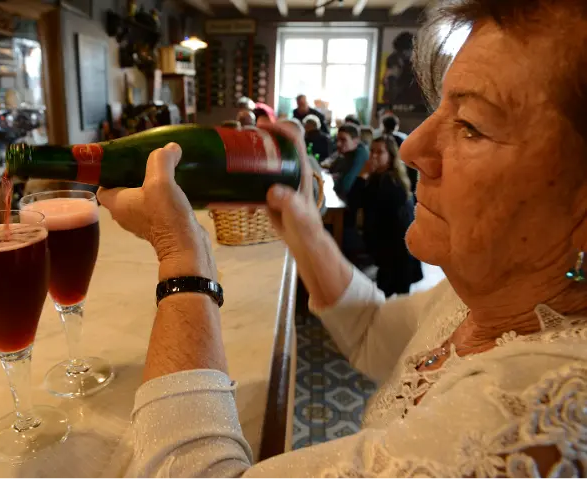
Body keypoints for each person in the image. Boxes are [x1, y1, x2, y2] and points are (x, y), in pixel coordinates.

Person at [99, 0, 587, 475]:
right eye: (441, 109)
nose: (413, 148)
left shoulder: (532, 414)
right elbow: (374, 330)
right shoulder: (485, 298)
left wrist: (182, 255)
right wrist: (302, 224)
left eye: (472, 126)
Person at [348, 135, 422, 296]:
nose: (374, 156)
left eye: (380, 152)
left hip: (396, 251)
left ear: (390, 156)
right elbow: (354, 201)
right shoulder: (379, 177)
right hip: (388, 249)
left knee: (392, 295)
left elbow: (355, 201)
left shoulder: (389, 181)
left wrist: (363, 174)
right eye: (372, 151)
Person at [329, 124, 369, 200]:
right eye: (337, 140)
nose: (338, 144)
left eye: (343, 140)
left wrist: (337, 179)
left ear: (356, 141)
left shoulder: (360, 154)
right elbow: (331, 170)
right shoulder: (348, 153)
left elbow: (345, 187)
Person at [382, 113, 418, 199]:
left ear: (383, 125)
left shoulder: (380, 140)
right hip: (407, 176)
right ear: (396, 126)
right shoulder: (404, 138)